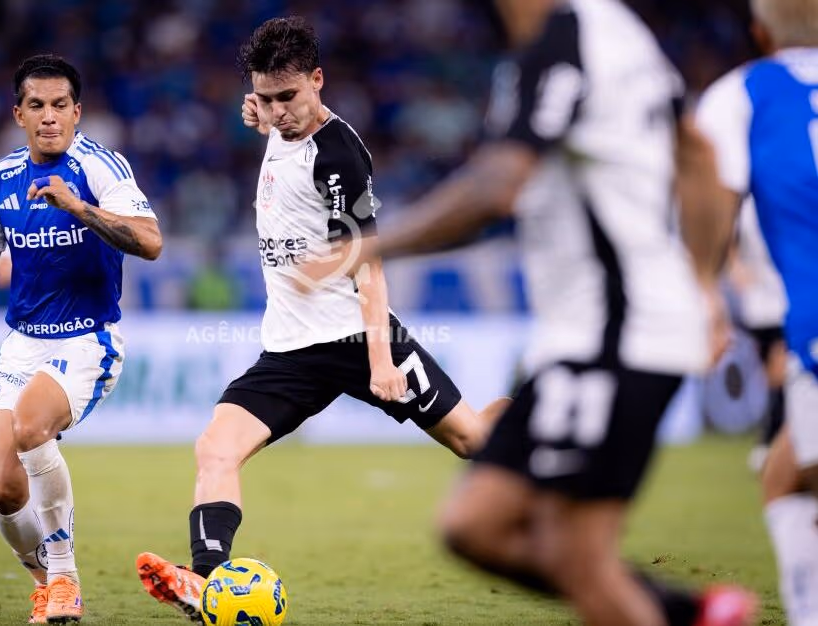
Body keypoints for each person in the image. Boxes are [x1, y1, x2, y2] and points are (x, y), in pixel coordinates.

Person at [301, 1, 757, 625]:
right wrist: (702, 284)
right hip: (592, 335)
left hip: (616, 333)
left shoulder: (562, 36)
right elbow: (698, 154)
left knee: (577, 555)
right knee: (476, 526)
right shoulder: (620, 33)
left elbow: (496, 188)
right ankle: (690, 612)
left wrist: (366, 245)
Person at [133, 16, 506, 622]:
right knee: (216, 449)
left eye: (289, 98)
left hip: (359, 337)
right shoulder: (273, 119)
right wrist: (256, 113)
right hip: (289, 350)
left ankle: (529, 419)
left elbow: (370, 266)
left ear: (318, 81)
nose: (277, 112)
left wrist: (382, 362)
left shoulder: (339, 156)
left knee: (473, 442)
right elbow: (266, 121)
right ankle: (203, 581)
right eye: (265, 99)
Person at [0, 53, 162, 624]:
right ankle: (44, 582)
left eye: (60, 106)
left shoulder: (101, 167)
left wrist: (79, 207)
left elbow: (151, 242)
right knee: (3, 489)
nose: (50, 117)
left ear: (77, 112)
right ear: (18, 114)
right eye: (37, 106)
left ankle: (65, 580)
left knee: (32, 426)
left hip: (88, 338)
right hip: (23, 343)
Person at [696, 0, 818, 622]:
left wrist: (704, 291)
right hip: (791, 313)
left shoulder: (745, 92)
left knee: (795, 472)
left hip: (811, 315)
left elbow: (711, 194)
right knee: (786, 468)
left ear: (760, 32)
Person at [724, 198, 787, 471]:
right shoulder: (747, 207)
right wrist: (736, 270)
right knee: (773, 377)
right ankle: (773, 439)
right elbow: (728, 241)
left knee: (781, 370)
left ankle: (771, 438)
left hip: (791, 301)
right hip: (760, 306)